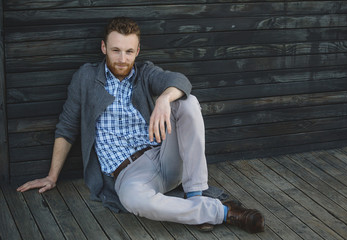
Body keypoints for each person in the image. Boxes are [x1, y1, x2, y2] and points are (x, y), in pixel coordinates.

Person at [17, 17, 265, 233]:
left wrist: (165, 99)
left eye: (128, 51)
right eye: (115, 50)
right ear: (103, 47)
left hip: (163, 156)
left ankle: (195, 193)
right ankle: (222, 212)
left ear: (137, 51)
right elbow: (67, 126)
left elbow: (180, 81)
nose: (122, 59)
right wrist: (52, 176)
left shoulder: (146, 73)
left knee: (188, 103)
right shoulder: (85, 78)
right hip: (128, 174)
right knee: (134, 202)